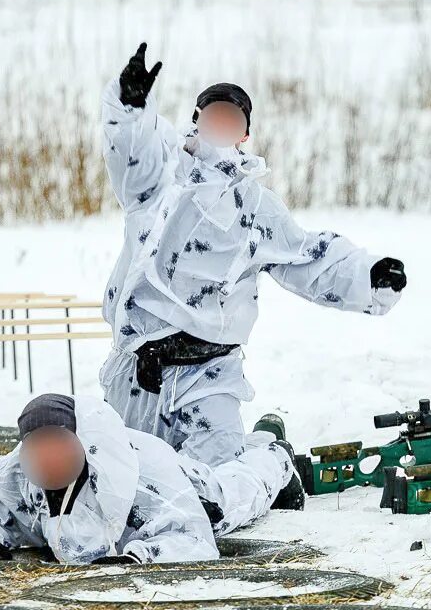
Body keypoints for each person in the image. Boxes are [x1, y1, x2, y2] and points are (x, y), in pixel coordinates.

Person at [99, 42, 407, 494]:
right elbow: (129, 151)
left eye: (233, 119)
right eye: (214, 115)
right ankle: (260, 445)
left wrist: (369, 276)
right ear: (196, 120)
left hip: (209, 375)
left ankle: (269, 460)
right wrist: (128, 105)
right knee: (126, 480)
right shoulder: (160, 180)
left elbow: (306, 257)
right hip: (138, 368)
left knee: (208, 486)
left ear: (244, 135)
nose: (222, 124)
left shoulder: (255, 207)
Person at [0, 392, 298, 565]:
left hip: (189, 487)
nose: (47, 457)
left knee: (236, 494)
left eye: (57, 443)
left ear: (79, 442)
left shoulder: (142, 477)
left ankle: (275, 454)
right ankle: (260, 440)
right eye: (37, 445)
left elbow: (191, 538)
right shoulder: (14, 474)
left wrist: (138, 558)